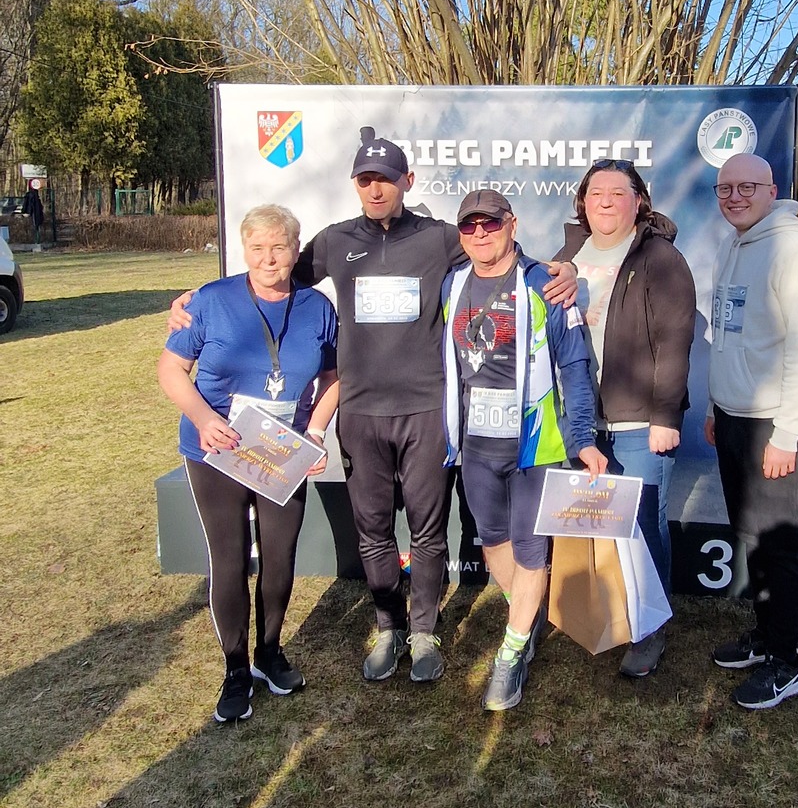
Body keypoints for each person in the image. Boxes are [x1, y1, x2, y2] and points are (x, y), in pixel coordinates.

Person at [167, 129, 576, 687]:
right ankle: (387, 628)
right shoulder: (335, 241)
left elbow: (500, 252)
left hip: (426, 410)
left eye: (386, 179)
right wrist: (195, 300)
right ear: (355, 185)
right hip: (359, 412)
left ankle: (425, 631)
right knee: (374, 528)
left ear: (407, 182)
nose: (376, 189)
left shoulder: (439, 238)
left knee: (429, 531)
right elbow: (271, 275)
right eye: (366, 180)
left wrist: (560, 270)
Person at [157, 204, 337, 724]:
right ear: (244, 251)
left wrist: (317, 432)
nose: (268, 258)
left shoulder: (316, 308)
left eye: (279, 247)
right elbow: (171, 369)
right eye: (257, 248)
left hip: (282, 452)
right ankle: (235, 668)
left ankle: (269, 652)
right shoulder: (209, 302)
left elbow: (335, 376)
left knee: (279, 556)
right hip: (217, 448)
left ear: (295, 250)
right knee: (230, 558)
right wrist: (202, 416)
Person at [443, 189, 606, 713]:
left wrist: (583, 438)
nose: (480, 235)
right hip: (477, 445)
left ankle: (511, 653)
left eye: (490, 224)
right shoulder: (453, 282)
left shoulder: (545, 283)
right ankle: (527, 618)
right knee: (494, 546)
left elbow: (575, 366)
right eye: (470, 227)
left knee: (532, 551)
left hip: (537, 443)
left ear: (511, 224)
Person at [555, 159, 696, 677]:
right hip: (583, 419)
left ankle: (649, 629)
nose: (607, 201)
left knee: (643, 524)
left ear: (640, 200)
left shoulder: (660, 259)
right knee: (598, 523)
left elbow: (675, 343)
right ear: (583, 202)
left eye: (620, 191)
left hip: (640, 422)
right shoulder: (568, 255)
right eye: (597, 193)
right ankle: (607, 609)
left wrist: (664, 416)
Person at [707, 153, 798, 711]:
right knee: (750, 533)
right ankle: (765, 636)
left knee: (778, 541)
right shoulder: (735, 244)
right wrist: (717, 406)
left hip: (773, 425)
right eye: (724, 188)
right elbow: (734, 335)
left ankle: (787, 661)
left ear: (772, 189)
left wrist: (786, 433)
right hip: (733, 417)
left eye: (746, 187)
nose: (734, 196)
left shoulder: (793, 253)